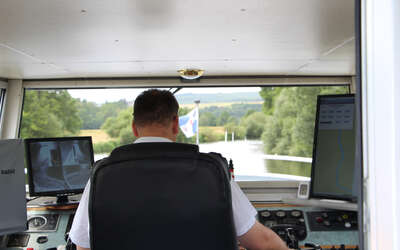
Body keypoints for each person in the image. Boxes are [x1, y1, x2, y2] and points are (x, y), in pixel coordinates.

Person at [69, 89, 290, 250]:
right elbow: (264, 243)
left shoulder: (102, 176)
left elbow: (83, 247)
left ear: (134, 128)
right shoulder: (212, 173)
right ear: (176, 124)